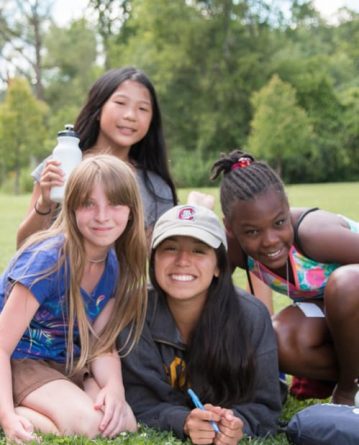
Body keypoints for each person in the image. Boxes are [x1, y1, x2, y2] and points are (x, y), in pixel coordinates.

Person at [0, 155, 148, 443]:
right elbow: (1, 346)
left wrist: (114, 387)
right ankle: (13, 410)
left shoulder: (114, 265)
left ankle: (55, 407)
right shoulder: (46, 261)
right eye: (89, 204)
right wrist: (7, 417)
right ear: (71, 208)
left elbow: (102, 344)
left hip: (67, 364)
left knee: (123, 423)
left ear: (131, 210)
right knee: (91, 426)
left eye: (115, 203)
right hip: (22, 362)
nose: (103, 216)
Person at [119, 204, 282, 444]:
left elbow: (266, 407)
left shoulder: (252, 317)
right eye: (170, 248)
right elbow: (137, 401)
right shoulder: (135, 312)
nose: (183, 261)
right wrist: (183, 421)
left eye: (198, 251)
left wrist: (236, 424)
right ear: (153, 260)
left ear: (218, 265)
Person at [211, 149, 359, 405]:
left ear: (287, 210)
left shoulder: (314, 234)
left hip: (351, 297)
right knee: (277, 338)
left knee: (345, 284)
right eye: (252, 231)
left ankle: (348, 392)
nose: (269, 240)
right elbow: (207, 300)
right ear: (230, 227)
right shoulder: (233, 250)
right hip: (334, 315)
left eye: (279, 223)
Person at [16, 66, 177, 247]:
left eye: (142, 108)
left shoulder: (155, 188)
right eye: (120, 103)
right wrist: (45, 203)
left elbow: (154, 261)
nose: (131, 115)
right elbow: (24, 247)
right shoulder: (62, 164)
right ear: (98, 109)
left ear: (151, 120)